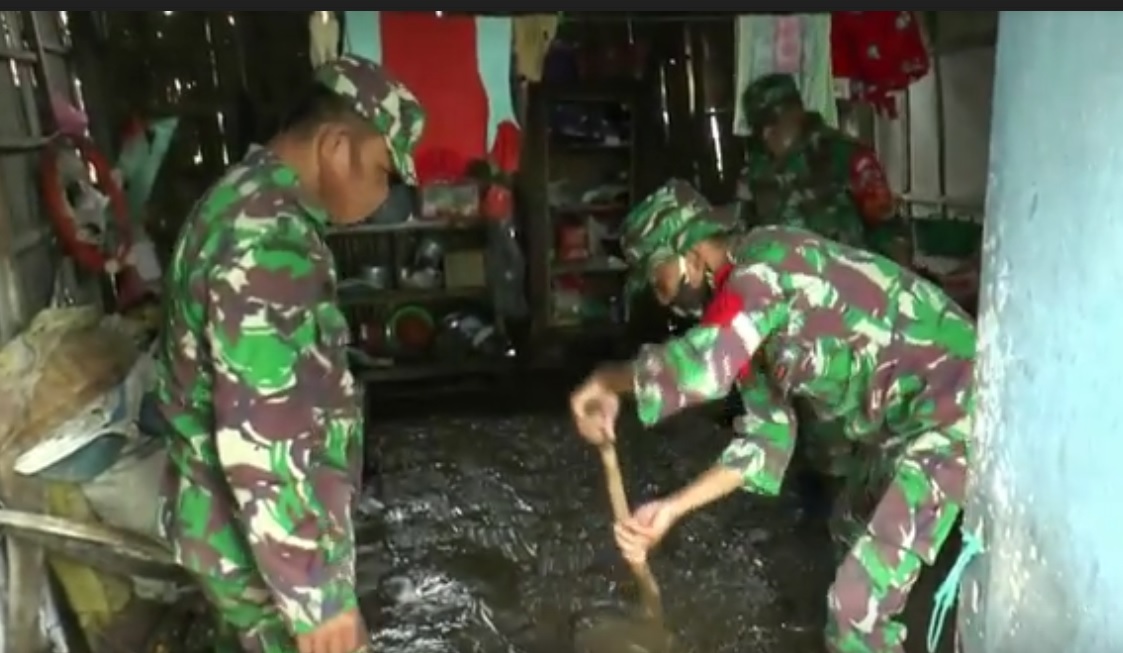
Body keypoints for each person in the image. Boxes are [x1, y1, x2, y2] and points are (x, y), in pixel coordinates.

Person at [570, 179, 974, 653]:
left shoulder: (765, 267)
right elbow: (766, 443)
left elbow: (702, 370)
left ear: (691, 253)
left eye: (659, 281)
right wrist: (670, 510)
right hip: (909, 425)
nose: (663, 300)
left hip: (957, 405)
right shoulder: (743, 322)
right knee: (851, 522)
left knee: (854, 609)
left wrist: (608, 379)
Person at [152, 55, 424, 653]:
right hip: (265, 559)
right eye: (384, 171)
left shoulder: (237, 200)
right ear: (336, 146)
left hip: (233, 534)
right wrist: (319, 596)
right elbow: (267, 427)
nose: (385, 194)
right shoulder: (268, 239)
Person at [736, 72, 909, 265]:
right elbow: (745, 237)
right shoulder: (755, 172)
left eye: (773, 122)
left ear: (796, 113)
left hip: (849, 285)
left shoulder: (845, 156)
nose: (767, 134)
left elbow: (890, 232)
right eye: (758, 127)